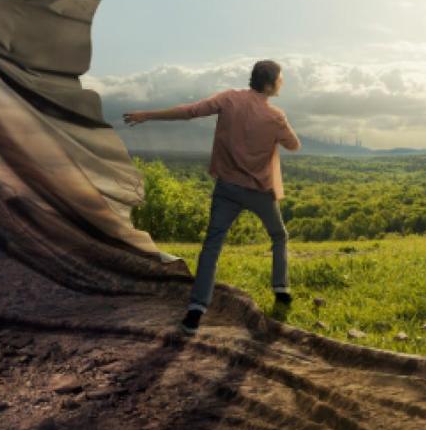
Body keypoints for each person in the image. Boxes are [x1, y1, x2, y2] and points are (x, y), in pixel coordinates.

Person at [122, 59, 301, 335]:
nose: (283, 82)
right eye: (281, 78)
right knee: (278, 236)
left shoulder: (228, 99)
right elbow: (294, 145)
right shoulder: (275, 116)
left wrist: (148, 114)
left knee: (212, 246)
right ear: (269, 83)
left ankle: (195, 311)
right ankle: (281, 288)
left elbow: (190, 111)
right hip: (259, 193)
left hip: (227, 189)